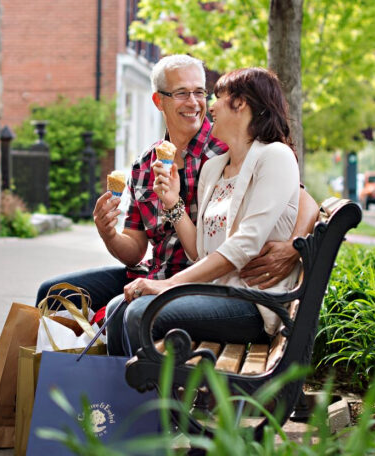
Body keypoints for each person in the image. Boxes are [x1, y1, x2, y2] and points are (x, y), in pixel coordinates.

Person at [35, 56, 317, 355]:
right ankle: (62, 384)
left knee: (125, 311)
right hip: (161, 274)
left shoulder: (236, 147)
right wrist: (110, 232)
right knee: (54, 293)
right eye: (183, 93)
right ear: (159, 101)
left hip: (206, 283)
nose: (199, 104)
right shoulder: (151, 164)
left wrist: (294, 246)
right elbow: (137, 249)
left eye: (202, 93)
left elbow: (300, 199)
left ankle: (117, 397)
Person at [111, 67, 303, 356]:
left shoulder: (274, 156)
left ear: (240, 104)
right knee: (118, 308)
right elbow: (198, 251)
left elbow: (245, 245)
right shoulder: (215, 168)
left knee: (140, 312)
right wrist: (173, 203)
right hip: (215, 292)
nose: (210, 106)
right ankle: (122, 400)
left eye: (218, 97)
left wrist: (168, 285)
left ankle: (154, 400)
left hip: (251, 303)